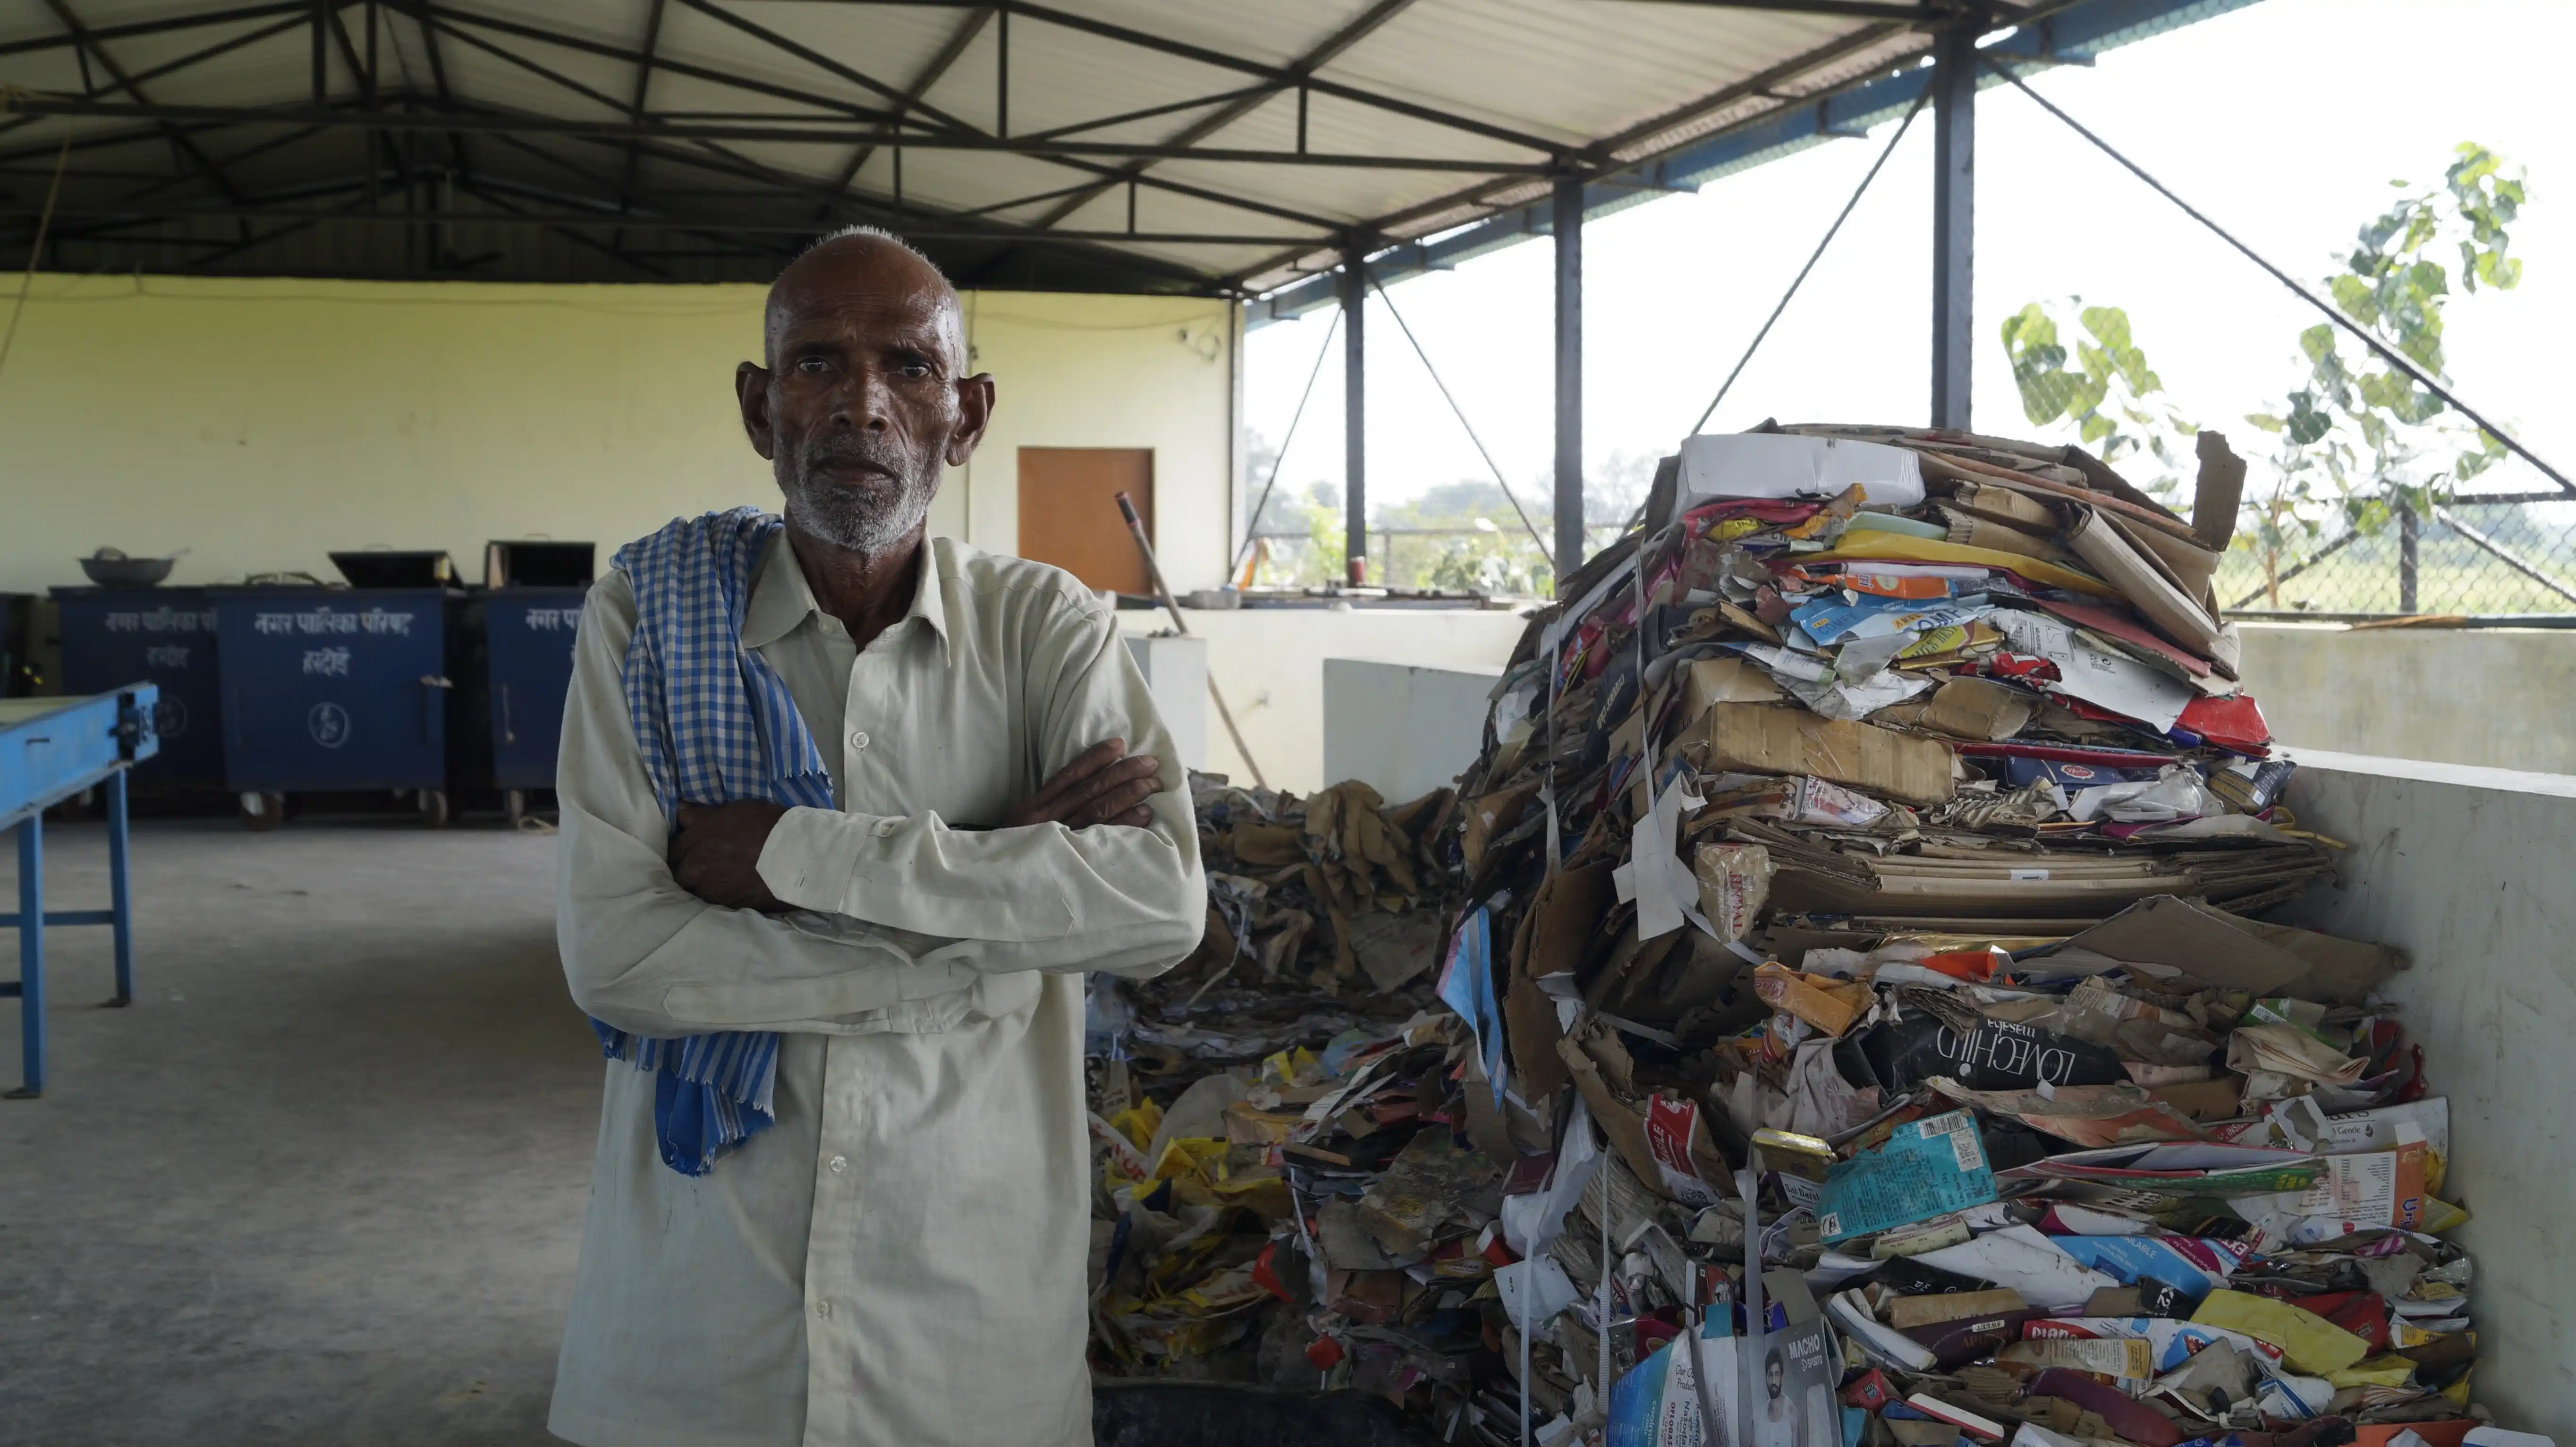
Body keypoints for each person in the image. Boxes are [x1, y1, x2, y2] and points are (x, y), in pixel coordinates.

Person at [545, 226, 1206, 1447]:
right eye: (817, 365)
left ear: (967, 415)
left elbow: (1161, 904)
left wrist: (794, 855)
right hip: (698, 1348)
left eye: (909, 367)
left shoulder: (1046, 630)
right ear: (759, 408)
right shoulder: (650, 617)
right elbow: (620, 961)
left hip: (967, 1348)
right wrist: (980, 920)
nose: (863, 405)